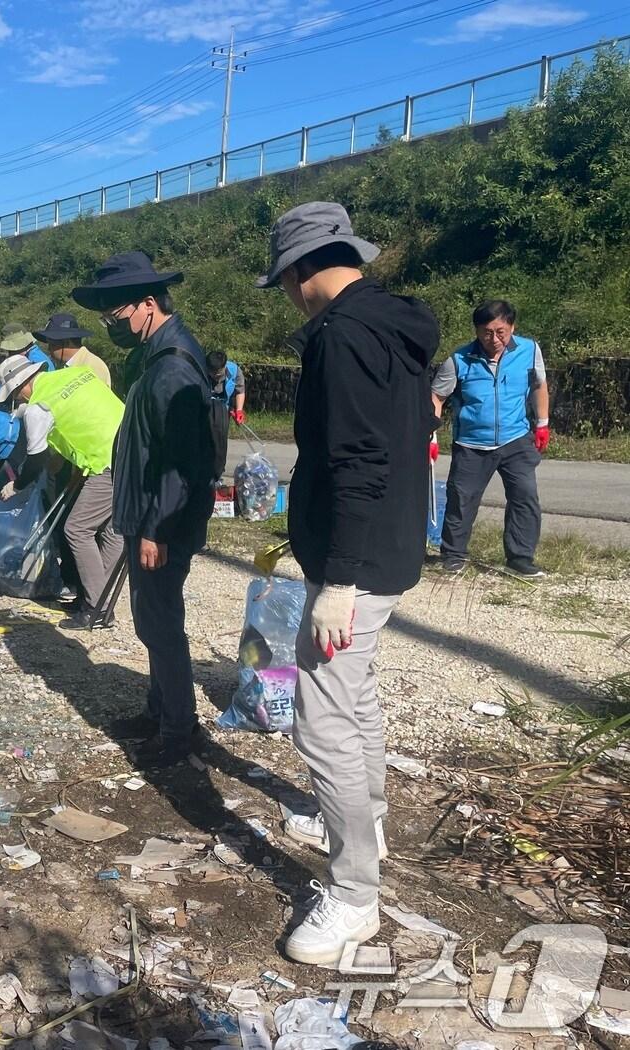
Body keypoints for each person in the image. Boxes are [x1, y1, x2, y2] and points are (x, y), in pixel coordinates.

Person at [256, 202, 439, 965]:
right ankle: (369, 818)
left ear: (302, 271)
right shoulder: (398, 325)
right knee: (354, 691)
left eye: (287, 281)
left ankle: (355, 893)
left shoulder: (343, 337)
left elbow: (359, 459)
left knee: (321, 719)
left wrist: (339, 579)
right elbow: (410, 433)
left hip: (357, 564)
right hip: (390, 549)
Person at [69, 251, 214, 757]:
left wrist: (155, 527)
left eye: (117, 315)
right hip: (153, 514)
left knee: (161, 622)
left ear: (148, 304)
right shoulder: (156, 355)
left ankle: (178, 729)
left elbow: (178, 461)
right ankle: (159, 711)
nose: (112, 325)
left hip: (163, 520)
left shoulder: (172, 367)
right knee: (152, 617)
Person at [0, 348, 126, 631]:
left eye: (15, 395)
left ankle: (96, 608)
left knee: (77, 529)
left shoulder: (39, 407)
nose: (18, 400)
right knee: (112, 529)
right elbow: (87, 418)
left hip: (107, 460)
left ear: (22, 385)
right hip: (133, 446)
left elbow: (37, 458)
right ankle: (98, 600)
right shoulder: (74, 375)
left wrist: (18, 485)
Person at [431, 300, 550, 578]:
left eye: (501, 332)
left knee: (525, 496)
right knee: (461, 498)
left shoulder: (529, 351)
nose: (494, 339)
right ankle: (453, 554)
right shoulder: (459, 360)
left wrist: (542, 423)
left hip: (516, 438)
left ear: (512, 327)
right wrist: (431, 434)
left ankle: (520, 558)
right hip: (472, 443)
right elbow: (436, 397)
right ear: (476, 330)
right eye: (486, 332)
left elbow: (539, 385)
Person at [34, 312, 112, 388]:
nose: (49, 349)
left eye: (52, 344)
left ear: (66, 342)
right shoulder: (69, 365)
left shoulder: (93, 366)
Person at [204, 350, 246, 481]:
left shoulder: (234, 370)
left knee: (220, 442)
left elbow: (240, 390)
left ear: (224, 366)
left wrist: (238, 410)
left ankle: (217, 475)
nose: (216, 376)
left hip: (223, 409)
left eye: (219, 373)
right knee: (204, 441)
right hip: (205, 407)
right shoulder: (199, 370)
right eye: (213, 373)